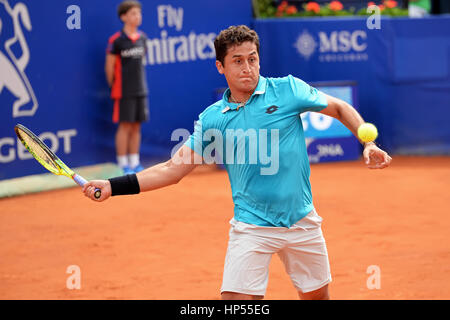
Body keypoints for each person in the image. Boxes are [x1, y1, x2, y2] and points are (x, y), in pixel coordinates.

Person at [85, 25, 392, 300]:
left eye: (253, 58)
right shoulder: (212, 119)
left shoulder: (287, 89)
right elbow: (171, 170)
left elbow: (338, 107)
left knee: (316, 298)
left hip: (302, 221)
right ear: (220, 66)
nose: (248, 67)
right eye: (238, 60)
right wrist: (114, 186)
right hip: (252, 227)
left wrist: (369, 143)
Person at [105, 0, 149, 174]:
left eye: (138, 13)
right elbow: (109, 68)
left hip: (141, 90)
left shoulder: (143, 38)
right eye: (132, 13)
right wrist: (115, 87)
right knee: (125, 126)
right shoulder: (116, 41)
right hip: (123, 91)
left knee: (136, 126)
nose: (137, 16)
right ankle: (123, 164)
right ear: (123, 17)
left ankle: (135, 162)